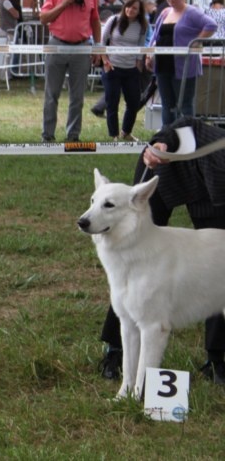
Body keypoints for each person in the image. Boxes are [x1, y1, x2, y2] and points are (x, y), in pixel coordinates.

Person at [98, 117, 225, 385]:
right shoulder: (214, 140)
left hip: (213, 198)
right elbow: (186, 124)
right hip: (164, 171)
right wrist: (160, 143)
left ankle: (216, 360)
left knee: (216, 270)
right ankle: (116, 351)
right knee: (129, 275)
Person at [39, 0, 101, 142]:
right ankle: (47, 135)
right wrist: (64, 3)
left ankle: (73, 136)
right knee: (52, 93)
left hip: (81, 47)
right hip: (57, 45)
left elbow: (95, 20)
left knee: (77, 95)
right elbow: (43, 18)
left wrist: (98, 47)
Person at [145, 0, 216, 128]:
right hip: (163, 64)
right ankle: (168, 135)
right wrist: (149, 54)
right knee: (167, 103)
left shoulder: (192, 12)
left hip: (183, 66)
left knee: (185, 103)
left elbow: (211, 25)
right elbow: (156, 35)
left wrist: (196, 42)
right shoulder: (165, 12)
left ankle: (188, 134)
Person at [99, 0, 148, 141]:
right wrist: (105, 61)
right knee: (112, 102)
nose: (130, 10)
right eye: (128, 6)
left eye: (134, 8)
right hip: (113, 67)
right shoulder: (113, 20)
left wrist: (138, 65)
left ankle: (126, 132)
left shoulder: (142, 26)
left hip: (131, 69)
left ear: (139, 11)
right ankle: (113, 134)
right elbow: (102, 41)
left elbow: (141, 45)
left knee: (133, 102)